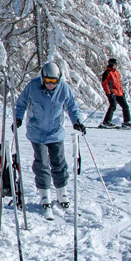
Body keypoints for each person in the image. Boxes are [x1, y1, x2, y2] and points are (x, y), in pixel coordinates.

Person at [14, 62, 86, 215]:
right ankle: (44, 195)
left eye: (54, 81)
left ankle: (62, 194)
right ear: (42, 78)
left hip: (55, 132)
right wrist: (18, 118)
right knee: (42, 163)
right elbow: (21, 104)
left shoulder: (63, 88)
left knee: (59, 162)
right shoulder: (33, 86)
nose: (51, 85)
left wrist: (77, 121)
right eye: (48, 81)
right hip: (37, 132)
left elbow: (72, 106)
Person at [100, 58, 131, 129]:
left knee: (125, 106)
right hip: (112, 93)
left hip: (119, 93)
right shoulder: (107, 73)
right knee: (113, 106)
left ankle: (127, 122)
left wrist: (122, 92)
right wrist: (109, 93)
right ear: (112, 64)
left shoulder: (117, 73)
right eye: (115, 64)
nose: (116, 66)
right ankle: (106, 121)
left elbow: (119, 84)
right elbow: (105, 83)